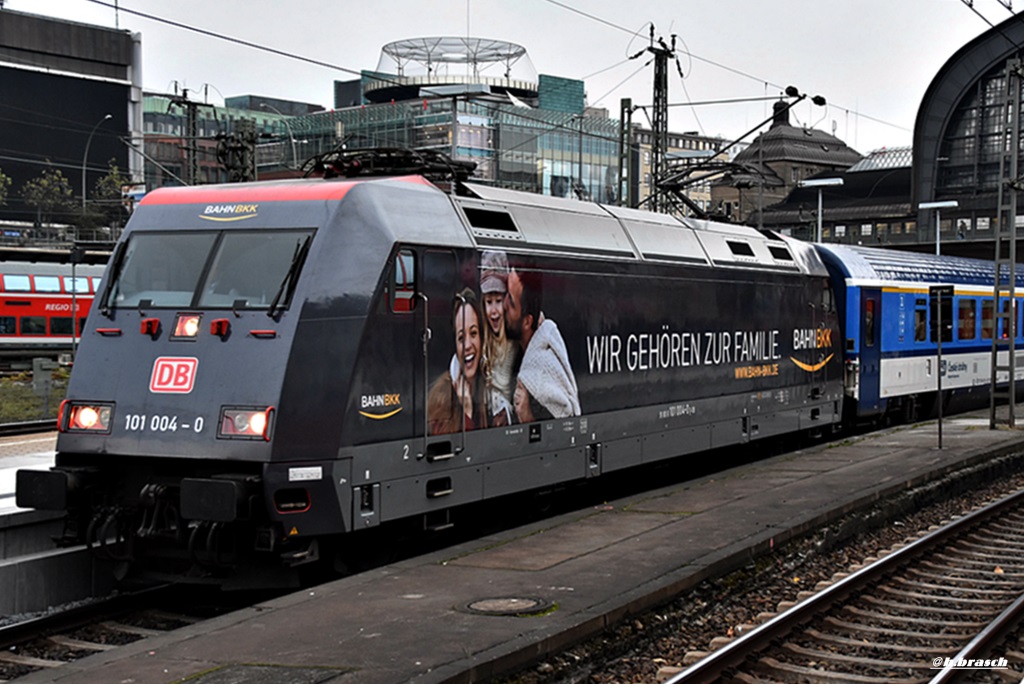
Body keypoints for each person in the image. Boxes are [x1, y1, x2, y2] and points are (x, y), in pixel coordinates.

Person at [504, 265, 580, 422]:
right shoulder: (515, 348)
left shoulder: (539, 380)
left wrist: (526, 415)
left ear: (527, 322)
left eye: (510, 302)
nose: (503, 305)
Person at [427, 288, 487, 435]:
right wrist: (467, 412)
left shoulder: (491, 389)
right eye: (461, 338)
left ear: (482, 338)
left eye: (473, 333)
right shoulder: (441, 398)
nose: (467, 345)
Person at [479, 250, 516, 427]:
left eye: (498, 301)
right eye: (489, 302)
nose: (493, 311)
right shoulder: (481, 342)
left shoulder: (514, 345)